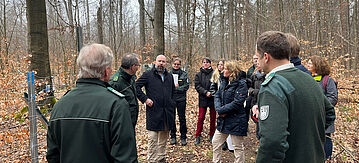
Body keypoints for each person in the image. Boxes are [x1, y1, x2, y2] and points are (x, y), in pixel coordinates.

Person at [46, 44, 138, 163]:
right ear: (106, 71)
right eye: (110, 68)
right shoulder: (116, 104)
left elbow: (52, 155)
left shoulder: (60, 104)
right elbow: (126, 158)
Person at [255, 31, 335, 163]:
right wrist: (306, 136)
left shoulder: (272, 87)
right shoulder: (308, 79)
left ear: (266, 57)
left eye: (258, 57)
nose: (257, 61)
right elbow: (330, 113)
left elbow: (272, 142)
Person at [136, 55, 175, 163]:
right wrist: (145, 99)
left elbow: (173, 92)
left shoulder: (169, 76)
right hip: (153, 111)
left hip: (167, 112)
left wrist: (172, 103)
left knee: (163, 139)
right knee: (152, 138)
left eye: (163, 61)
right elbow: (136, 86)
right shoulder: (148, 74)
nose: (161, 63)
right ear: (155, 62)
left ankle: (161, 158)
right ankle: (152, 160)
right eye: (159, 61)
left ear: (166, 63)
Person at [212, 60, 248, 163]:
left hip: (236, 120)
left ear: (232, 71)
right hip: (223, 119)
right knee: (216, 142)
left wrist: (223, 110)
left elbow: (237, 102)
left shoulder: (241, 84)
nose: (223, 70)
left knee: (237, 147)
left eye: (226, 68)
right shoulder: (224, 81)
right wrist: (219, 109)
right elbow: (217, 95)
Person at [308, 55, 338, 160]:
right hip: (311, 116)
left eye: (310, 63)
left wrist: (320, 107)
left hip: (324, 115)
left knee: (326, 138)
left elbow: (333, 98)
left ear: (317, 65)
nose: (308, 64)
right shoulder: (308, 78)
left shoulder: (328, 80)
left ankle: (327, 158)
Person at [109, 53, 140, 130]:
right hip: (120, 126)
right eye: (138, 66)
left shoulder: (131, 79)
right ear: (133, 67)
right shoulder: (115, 83)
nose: (138, 68)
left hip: (130, 123)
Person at [194, 57, 216, 145]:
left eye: (207, 62)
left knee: (213, 118)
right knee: (201, 117)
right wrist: (205, 92)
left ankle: (212, 134)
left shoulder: (215, 73)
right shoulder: (198, 75)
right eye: (204, 62)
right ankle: (198, 135)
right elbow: (197, 85)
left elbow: (216, 84)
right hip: (203, 98)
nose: (205, 64)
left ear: (210, 64)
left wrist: (211, 92)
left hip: (212, 98)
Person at [169, 57, 190, 146]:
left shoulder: (184, 74)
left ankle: (183, 137)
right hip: (172, 99)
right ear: (172, 64)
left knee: (182, 118)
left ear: (180, 65)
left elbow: (186, 86)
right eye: (175, 64)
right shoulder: (168, 74)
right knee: (172, 118)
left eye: (178, 64)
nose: (176, 66)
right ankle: (173, 136)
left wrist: (178, 88)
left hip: (181, 99)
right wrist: (173, 88)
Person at [248, 54, 265, 140]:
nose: (257, 64)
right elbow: (249, 87)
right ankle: (258, 141)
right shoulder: (254, 76)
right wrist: (253, 92)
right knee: (256, 121)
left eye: (259, 63)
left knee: (262, 124)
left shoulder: (266, 76)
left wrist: (259, 92)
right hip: (254, 101)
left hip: (263, 102)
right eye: (256, 63)